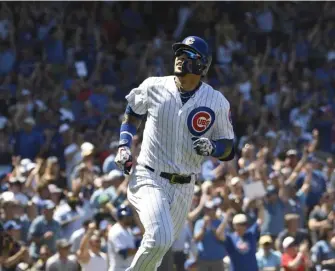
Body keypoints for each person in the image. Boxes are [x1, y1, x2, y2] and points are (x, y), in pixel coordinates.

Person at [114, 35, 235, 271]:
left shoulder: (217, 101)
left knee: (159, 250)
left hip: (185, 186)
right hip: (150, 175)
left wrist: (214, 148)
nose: (180, 58)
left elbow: (229, 147)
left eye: (188, 54)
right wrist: (124, 145)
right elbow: (133, 111)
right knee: (159, 238)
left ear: (203, 65)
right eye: (179, 53)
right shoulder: (154, 85)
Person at [107, 204, 137, 271]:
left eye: (130, 216)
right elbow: (123, 253)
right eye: (126, 217)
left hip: (126, 268)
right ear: (120, 217)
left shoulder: (128, 229)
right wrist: (140, 250)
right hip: (118, 269)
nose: (129, 219)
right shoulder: (116, 231)